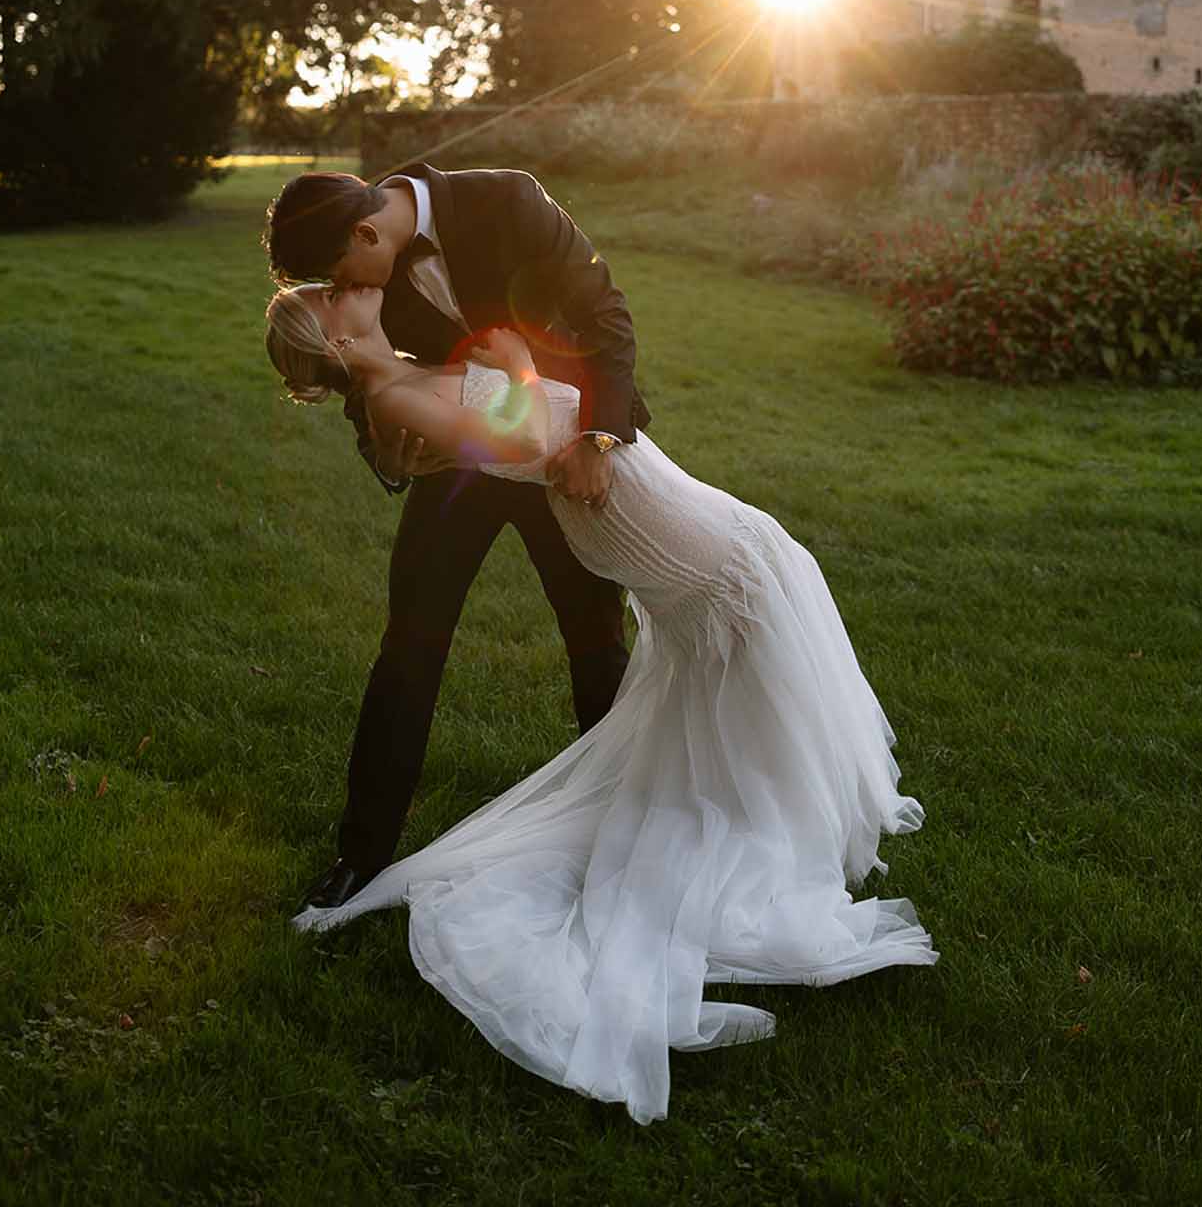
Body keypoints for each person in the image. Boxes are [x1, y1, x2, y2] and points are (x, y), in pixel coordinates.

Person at [264, 279, 936, 1125]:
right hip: (621, 504)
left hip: (627, 491)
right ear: (327, 335)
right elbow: (522, 432)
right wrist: (510, 357)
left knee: (737, 629)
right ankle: (763, 826)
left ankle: (755, 809)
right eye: (332, 294)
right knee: (748, 606)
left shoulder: (401, 368)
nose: (352, 287)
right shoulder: (395, 391)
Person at [264, 164, 646, 913]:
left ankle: (626, 835)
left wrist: (598, 438)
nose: (343, 291)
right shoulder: (368, 278)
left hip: (564, 453)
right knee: (410, 642)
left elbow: (607, 316)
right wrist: (388, 451)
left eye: (338, 275)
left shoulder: (509, 200)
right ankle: (362, 854)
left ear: (365, 234)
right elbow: (360, 376)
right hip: (458, 468)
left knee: (595, 639)